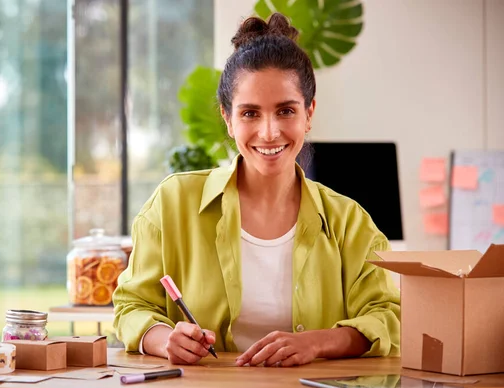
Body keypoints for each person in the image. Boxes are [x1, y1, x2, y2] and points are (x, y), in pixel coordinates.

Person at [113, 12, 400, 367]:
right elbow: (131, 306)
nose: (268, 132)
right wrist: (162, 340)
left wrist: (319, 342)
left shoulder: (348, 221)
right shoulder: (172, 204)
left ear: (308, 114)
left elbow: (388, 315)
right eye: (250, 113)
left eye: (285, 111)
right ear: (228, 119)